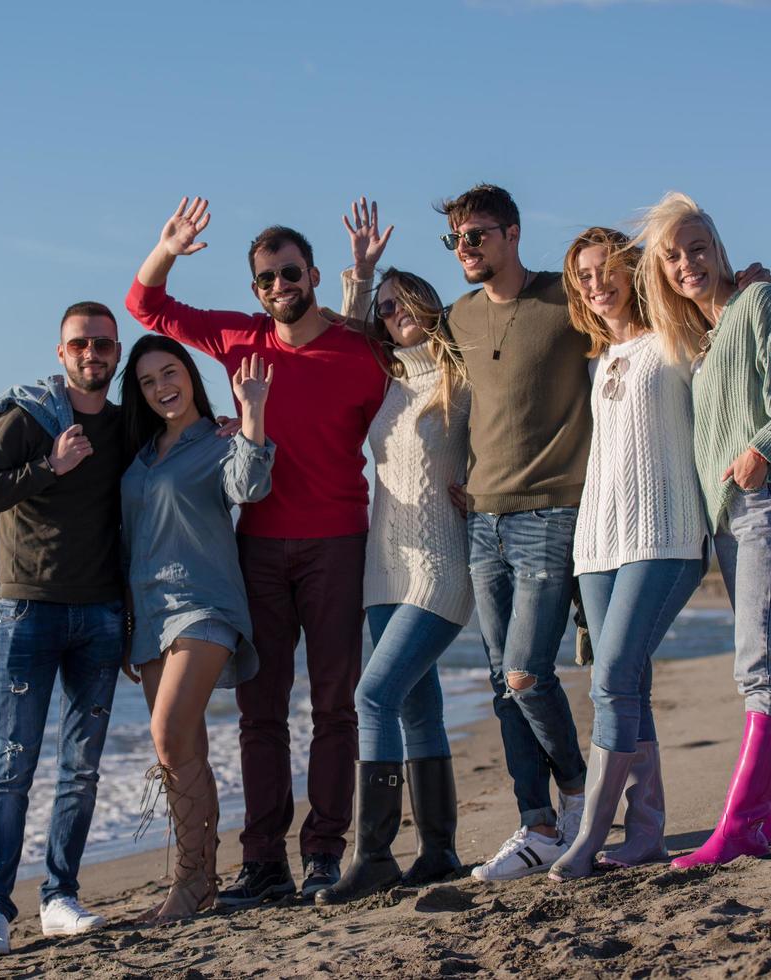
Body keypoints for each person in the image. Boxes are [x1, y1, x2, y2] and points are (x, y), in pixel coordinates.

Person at [125, 198, 387, 904]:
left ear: (310, 275)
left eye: (289, 273)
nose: (278, 286)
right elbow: (144, 304)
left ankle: (326, 852)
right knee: (259, 712)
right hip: (259, 550)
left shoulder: (359, 351)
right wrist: (169, 245)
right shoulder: (241, 339)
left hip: (338, 541)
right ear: (254, 290)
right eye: (266, 279)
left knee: (335, 706)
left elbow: (417, 399)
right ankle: (264, 862)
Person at [633, 192, 771, 869]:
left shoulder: (758, 305)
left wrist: (761, 451)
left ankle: (741, 826)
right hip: (732, 517)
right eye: (672, 256)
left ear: (718, 249)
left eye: (697, 248)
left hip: (764, 502)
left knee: (760, 668)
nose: (687, 264)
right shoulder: (708, 336)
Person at [0, 301, 130, 960]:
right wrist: (46, 467)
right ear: (62, 354)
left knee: (80, 770)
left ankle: (59, 897)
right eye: (81, 344)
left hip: (102, 615)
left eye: (104, 345)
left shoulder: (122, 425)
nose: (93, 354)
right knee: (12, 768)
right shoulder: (27, 419)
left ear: (116, 352)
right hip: (29, 609)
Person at [316, 202, 472, 904]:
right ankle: (438, 849)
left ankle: (372, 854)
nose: (390, 313)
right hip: (383, 570)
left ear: (427, 304)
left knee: (372, 696)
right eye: (382, 306)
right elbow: (343, 336)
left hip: (439, 565)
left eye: (401, 301)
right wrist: (362, 274)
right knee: (415, 709)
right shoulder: (383, 381)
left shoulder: (460, 379)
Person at [435, 184, 593, 878]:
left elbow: (652, 306)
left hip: (552, 511)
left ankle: (582, 795)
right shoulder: (457, 315)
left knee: (528, 675)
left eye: (477, 235)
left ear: (512, 233)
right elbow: (397, 359)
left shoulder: (567, 299)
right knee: (502, 685)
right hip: (481, 520)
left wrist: (736, 286)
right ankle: (535, 828)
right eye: (456, 240)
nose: (465, 249)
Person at [544, 228, 709, 881]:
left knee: (612, 676)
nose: (594, 283)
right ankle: (644, 833)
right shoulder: (592, 358)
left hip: (665, 536)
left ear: (633, 270)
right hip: (597, 544)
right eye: (582, 275)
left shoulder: (677, 336)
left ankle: (587, 838)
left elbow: (730, 388)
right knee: (624, 683)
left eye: (605, 269)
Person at [119, 337, 276, 923]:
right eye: (148, 381)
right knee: (183, 750)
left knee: (167, 736)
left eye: (171, 372)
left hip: (204, 605)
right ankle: (198, 881)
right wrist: (127, 624)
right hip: (151, 615)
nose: (162, 387)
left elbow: (249, 487)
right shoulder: (139, 458)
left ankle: (190, 884)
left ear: (189, 375)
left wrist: (254, 412)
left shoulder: (219, 439)